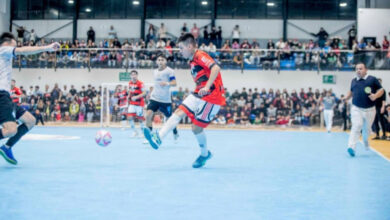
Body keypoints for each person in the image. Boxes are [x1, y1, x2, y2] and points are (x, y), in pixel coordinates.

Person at [143, 33, 225, 168]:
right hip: (199, 93)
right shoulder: (192, 61)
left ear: (189, 46)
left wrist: (207, 86)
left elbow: (215, 68)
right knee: (179, 111)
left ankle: (205, 154)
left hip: (212, 96)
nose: (180, 51)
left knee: (196, 129)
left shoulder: (200, 55)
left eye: (181, 48)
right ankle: (159, 138)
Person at [0, 32, 59, 165]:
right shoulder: (3, 50)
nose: (17, 46)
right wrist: (46, 48)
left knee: (30, 121)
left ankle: (7, 147)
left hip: (6, 97)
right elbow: (22, 51)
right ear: (8, 42)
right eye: (15, 43)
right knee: (10, 130)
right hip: (1, 96)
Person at [342, 63, 384, 157]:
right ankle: (351, 147)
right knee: (357, 126)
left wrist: (376, 96)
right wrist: (346, 98)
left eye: (360, 69)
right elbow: (351, 91)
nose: (358, 70)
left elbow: (381, 90)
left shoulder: (372, 79)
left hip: (370, 110)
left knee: (367, 130)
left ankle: (365, 141)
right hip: (356, 108)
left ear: (366, 70)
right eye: (357, 69)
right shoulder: (353, 80)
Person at [145, 54, 179, 142]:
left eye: (162, 60)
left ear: (165, 61)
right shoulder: (155, 71)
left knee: (169, 119)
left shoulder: (170, 71)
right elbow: (155, 85)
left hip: (165, 100)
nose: (160, 61)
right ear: (157, 61)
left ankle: (175, 132)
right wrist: (150, 93)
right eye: (159, 60)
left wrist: (167, 83)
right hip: (154, 98)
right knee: (148, 115)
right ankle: (150, 137)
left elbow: (174, 83)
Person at [127, 70, 146, 137]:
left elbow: (144, 93)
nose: (133, 76)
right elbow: (130, 91)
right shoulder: (129, 83)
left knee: (140, 119)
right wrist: (128, 96)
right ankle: (135, 132)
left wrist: (136, 97)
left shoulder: (140, 83)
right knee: (129, 117)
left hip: (139, 103)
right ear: (130, 76)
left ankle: (143, 132)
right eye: (132, 75)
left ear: (137, 75)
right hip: (132, 103)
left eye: (135, 74)